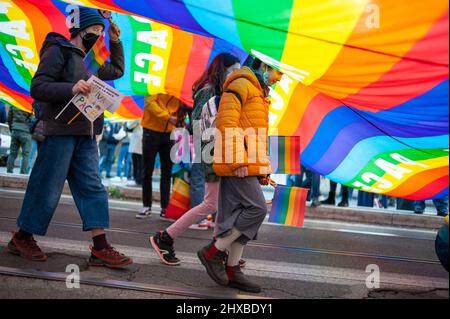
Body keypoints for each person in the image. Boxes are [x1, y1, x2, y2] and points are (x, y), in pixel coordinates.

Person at [8, 7, 132, 268]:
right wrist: (71, 88)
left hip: (87, 133)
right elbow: (38, 86)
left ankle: (100, 247)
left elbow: (118, 70)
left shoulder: (94, 61)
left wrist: (115, 39)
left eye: (100, 31)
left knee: (93, 187)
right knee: (48, 187)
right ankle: (22, 237)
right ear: (81, 29)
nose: (98, 35)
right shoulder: (58, 50)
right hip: (60, 131)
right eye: (95, 30)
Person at [197, 57, 283, 293]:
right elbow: (227, 123)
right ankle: (214, 252)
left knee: (239, 215)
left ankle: (233, 269)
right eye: (278, 72)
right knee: (257, 209)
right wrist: (238, 160)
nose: (279, 78)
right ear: (263, 66)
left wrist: (261, 167)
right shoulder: (241, 84)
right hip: (237, 162)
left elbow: (252, 131)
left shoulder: (258, 90)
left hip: (247, 162)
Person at [149, 53, 241, 266]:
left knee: (221, 204)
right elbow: (200, 127)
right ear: (222, 70)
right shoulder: (208, 91)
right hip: (209, 153)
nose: (236, 75)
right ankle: (165, 238)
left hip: (216, 153)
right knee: (211, 203)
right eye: (233, 70)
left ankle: (219, 248)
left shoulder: (219, 90)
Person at [137, 94, 184, 218]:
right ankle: (146, 205)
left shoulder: (178, 87)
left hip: (169, 133)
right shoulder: (155, 81)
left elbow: (182, 102)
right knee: (147, 171)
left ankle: (165, 208)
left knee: (167, 173)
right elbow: (149, 103)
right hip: (150, 131)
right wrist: (168, 117)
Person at [6, 107, 33, 174]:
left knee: (12, 153)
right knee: (26, 155)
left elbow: (9, 118)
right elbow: (32, 119)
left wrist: (12, 128)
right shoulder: (28, 104)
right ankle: (23, 174)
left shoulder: (14, 104)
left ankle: (9, 172)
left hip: (15, 130)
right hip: (26, 131)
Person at [125, 120, 143, 187]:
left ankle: (139, 180)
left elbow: (129, 125)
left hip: (141, 142)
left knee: (140, 163)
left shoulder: (141, 116)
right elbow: (129, 126)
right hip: (136, 142)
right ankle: (136, 179)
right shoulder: (136, 117)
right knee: (135, 162)